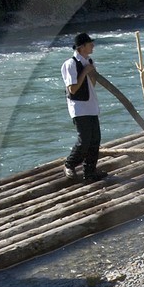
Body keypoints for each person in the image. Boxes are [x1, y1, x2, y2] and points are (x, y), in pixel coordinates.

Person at [61, 32, 107, 183]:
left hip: (91, 105)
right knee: (84, 140)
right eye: (89, 44)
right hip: (79, 107)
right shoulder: (70, 64)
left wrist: (92, 73)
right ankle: (69, 164)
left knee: (95, 140)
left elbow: (92, 84)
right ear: (81, 47)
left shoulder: (89, 61)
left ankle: (90, 172)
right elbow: (72, 89)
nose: (92, 45)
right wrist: (85, 72)